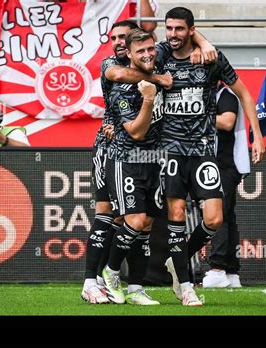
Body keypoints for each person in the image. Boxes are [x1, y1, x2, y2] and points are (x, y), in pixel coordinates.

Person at [154, 7, 265, 306]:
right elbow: (144, 54)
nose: (173, 34)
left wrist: (257, 136)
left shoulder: (213, 59)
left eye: (180, 29)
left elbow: (244, 94)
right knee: (176, 215)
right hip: (172, 150)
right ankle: (186, 286)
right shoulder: (162, 55)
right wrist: (202, 41)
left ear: (191, 30)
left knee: (214, 219)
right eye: (169, 28)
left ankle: (177, 260)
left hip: (204, 151)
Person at [82, 20, 171, 304]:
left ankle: (134, 287)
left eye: (123, 36)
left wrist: (204, 44)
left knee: (138, 223)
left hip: (150, 157)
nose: (118, 42)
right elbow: (118, 75)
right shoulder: (113, 65)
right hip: (112, 151)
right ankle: (93, 281)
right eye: (115, 37)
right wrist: (154, 85)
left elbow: (183, 37)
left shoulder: (154, 56)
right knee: (108, 214)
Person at [101, 28, 164, 305]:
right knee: (135, 221)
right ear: (128, 54)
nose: (148, 54)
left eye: (151, 49)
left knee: (147, 225)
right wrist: (149, 98)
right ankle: (110, 272)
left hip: (154, 161)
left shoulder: (158, 61)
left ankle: (136, 288)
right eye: (141, 52)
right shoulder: (121, 90)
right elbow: (137, 132)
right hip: (126, 160)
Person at [202, 84, 250, 288]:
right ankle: (231, 272)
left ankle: (217, 269)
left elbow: (227, 122)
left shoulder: (226, 95)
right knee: (228, 217)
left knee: (218, 215)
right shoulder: (211, 94)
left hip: (225, 166)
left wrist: (195, 117)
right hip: (220, 165)